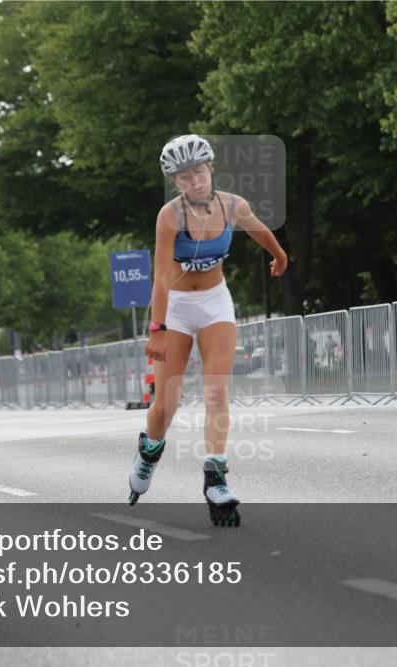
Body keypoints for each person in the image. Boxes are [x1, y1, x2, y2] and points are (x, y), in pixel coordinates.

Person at [127, 134, 288, 526]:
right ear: (175, 182)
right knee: (167, 402)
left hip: (215, 301)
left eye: (199, 171)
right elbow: (162, 277)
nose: (195, 181)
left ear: (210, 168)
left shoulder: (233, 205)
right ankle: (149, 450)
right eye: (184, 177)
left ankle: (215, 475)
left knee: (217, 388)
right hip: (178, 308)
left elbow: (258, 229)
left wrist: (279, 254)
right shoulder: (169, 216)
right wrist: (158, 328)